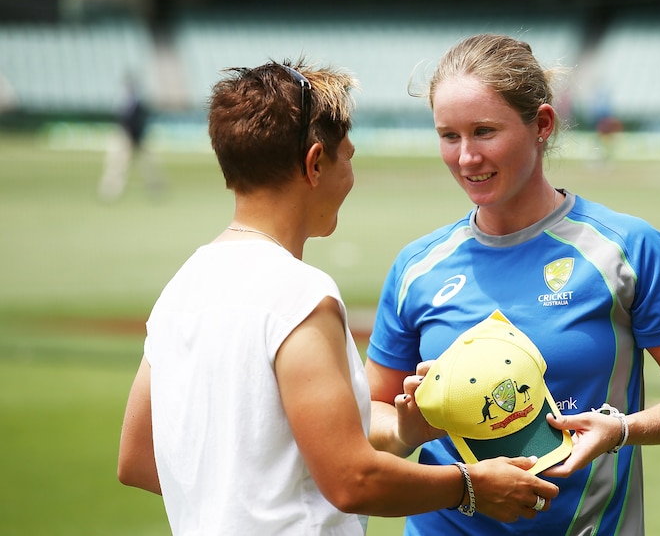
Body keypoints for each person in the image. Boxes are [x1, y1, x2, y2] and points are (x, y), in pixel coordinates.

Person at [117, 59, 559, 536]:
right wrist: (470, 486)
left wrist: (243, 493)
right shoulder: (300, 294)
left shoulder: (183, 287)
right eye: (347, 157)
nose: (350, 175)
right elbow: (351, 481)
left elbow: (137, 460)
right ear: (314, 163)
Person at [364, 34, 660, 536]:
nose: (466, 157)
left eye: (484, 131)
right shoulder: (418, 267)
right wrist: (404, 430)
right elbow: (373, 415)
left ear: (541, 124)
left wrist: (622, 430)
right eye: (449, 136)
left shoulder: (626, 248)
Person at [98, 73, 164, 202]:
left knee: (148, 165)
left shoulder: (137, 102)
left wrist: (138, 136)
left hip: (138, 137)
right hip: (125, 136)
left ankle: (155, 188)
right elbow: (121, 120)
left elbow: (141, 120)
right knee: (117, 166)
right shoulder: (123, 101)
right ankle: (110, 191)